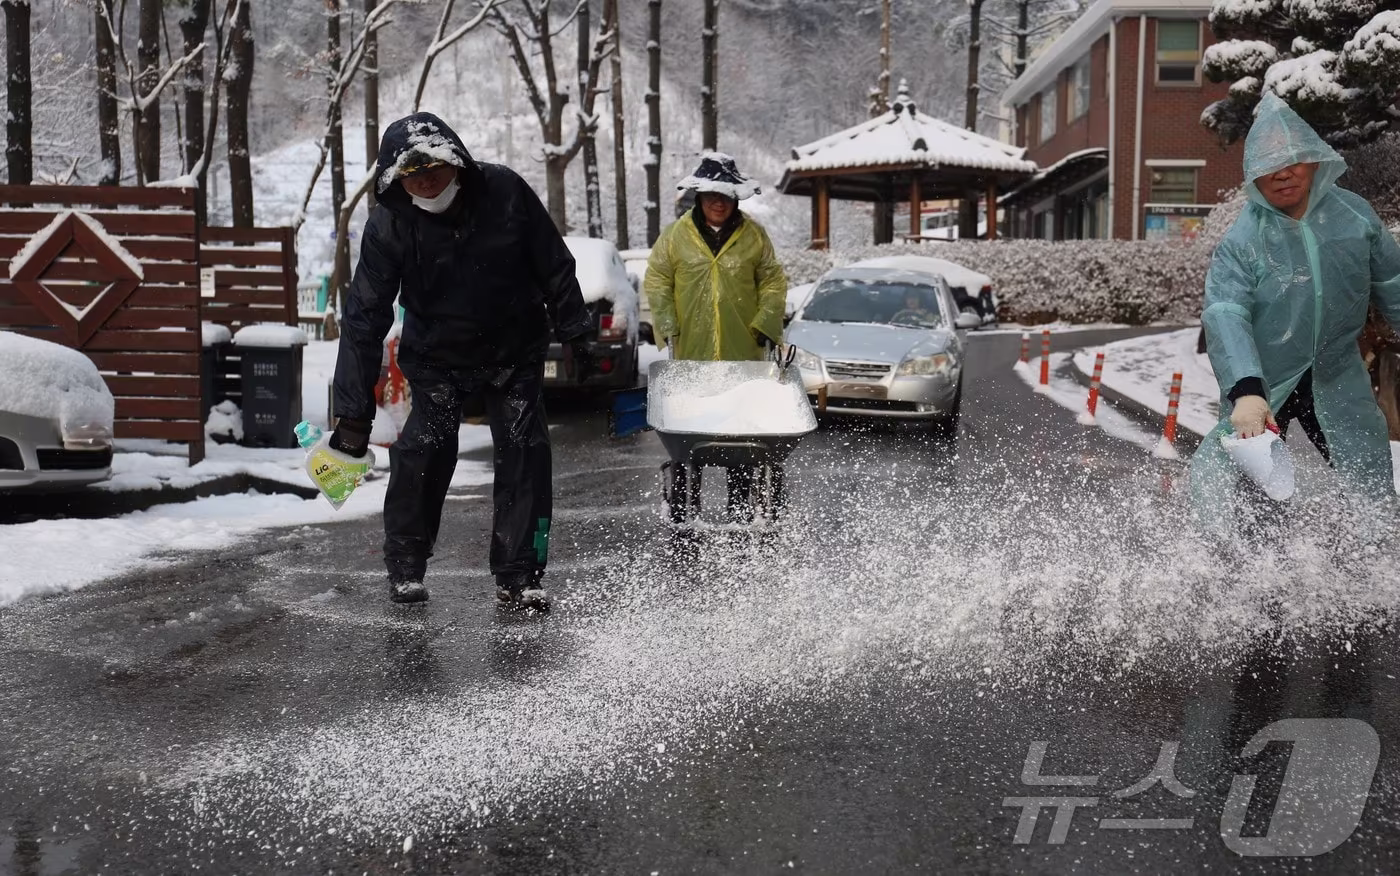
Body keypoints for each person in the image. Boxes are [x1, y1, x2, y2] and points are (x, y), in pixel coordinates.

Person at [330, 112, 595, 609]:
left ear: (456, 162)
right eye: (411, 173)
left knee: (525, 452)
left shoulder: (505, 192)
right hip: (437, 355)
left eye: (433, 166)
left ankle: (521, 573)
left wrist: (577, 329)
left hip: (514, 348)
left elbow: (553, 262)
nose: (425, 179)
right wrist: (352, 416)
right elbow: (364, 318)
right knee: (423, 450)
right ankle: (405, 566)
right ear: (396, 179)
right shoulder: (389, 224)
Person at [1189, 93, 1400, 536]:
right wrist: (1246, 389)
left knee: (1369, 480)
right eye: (1269, 166)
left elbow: (1393, 284)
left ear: (1313, 161)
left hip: (1337, 372)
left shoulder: (1354, 217)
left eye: (1293, 161)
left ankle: (1380, 572)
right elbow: (1226, 311)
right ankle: (1260, 579)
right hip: (1265, 385)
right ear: (1253, 177)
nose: (1283, 174)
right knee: (1254, 492)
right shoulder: (1244, 239)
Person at [644, 153, 788, 519]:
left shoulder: (754, 235)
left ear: (736, 198)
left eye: (725, 195)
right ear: (699, 197)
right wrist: (667, 321)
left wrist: (765, 321)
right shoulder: (676, 236)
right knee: (692, 433)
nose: (718, 202)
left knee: (738, 435)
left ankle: (739, 509)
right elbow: (658, 278)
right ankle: (683, 507)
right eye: (710, 195)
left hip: (743, 354)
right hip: (691, 352)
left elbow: (772, 279)